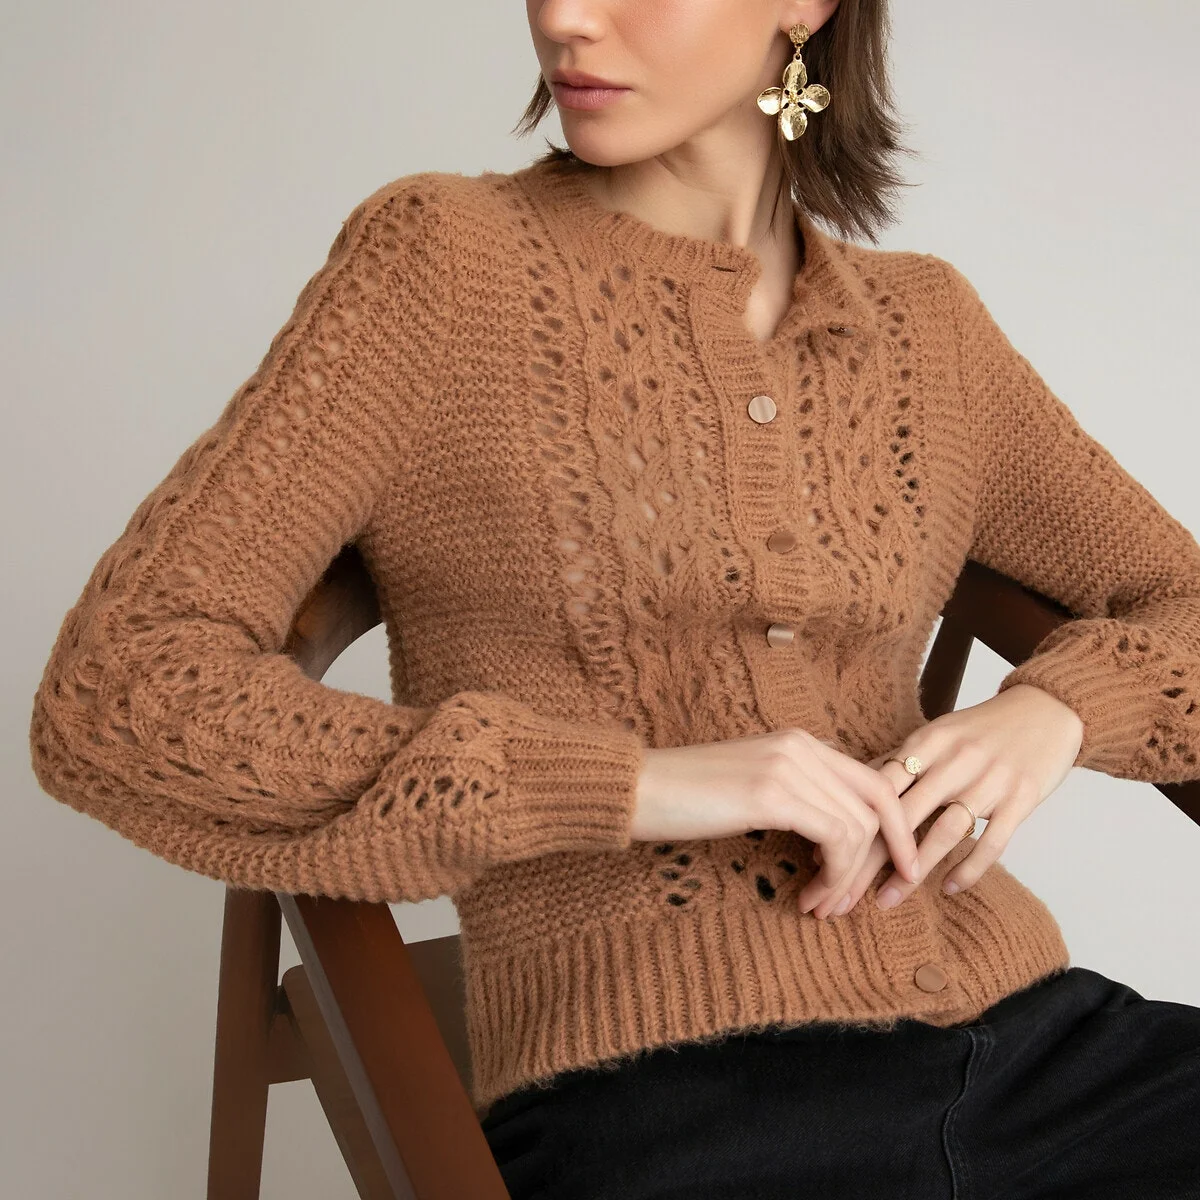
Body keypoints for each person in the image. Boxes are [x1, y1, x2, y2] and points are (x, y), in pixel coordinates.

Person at [28, 1, 1200, 1196]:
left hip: (1043, 1050)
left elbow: (1182, 599)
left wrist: (1056, 712)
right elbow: (118, 690)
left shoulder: (923, 327)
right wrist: (634, 784)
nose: (565, 18)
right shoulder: (441, 265)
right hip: (667, 1097)